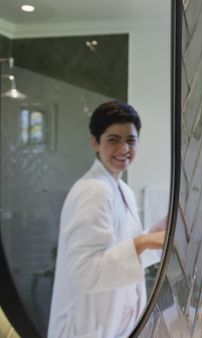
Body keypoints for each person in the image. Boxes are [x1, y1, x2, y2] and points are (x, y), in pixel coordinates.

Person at [48, 101, 166, 338]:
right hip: (86, 330)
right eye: (114, 139)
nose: (124, 149)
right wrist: (145, 242)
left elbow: (124, 252)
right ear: (95, 142)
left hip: (117, 329)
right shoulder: (94, 191)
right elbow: (85, 272)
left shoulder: (123, 190)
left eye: (131, 141)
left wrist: (158, 232)